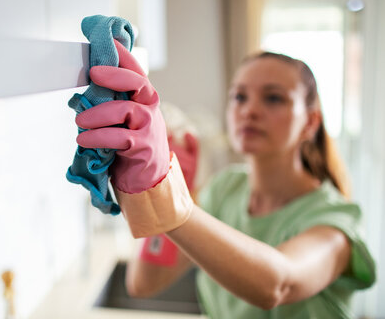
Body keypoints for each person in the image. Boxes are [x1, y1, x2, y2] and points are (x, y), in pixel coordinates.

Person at [74, 41, 376, 318]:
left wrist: (165, 192)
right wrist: (179, 189)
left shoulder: (336, 220)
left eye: (273, 98)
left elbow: (279, 284)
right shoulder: (225, 190)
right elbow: (144, 283)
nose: (249, 110)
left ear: (310, 122)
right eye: (239, 96)